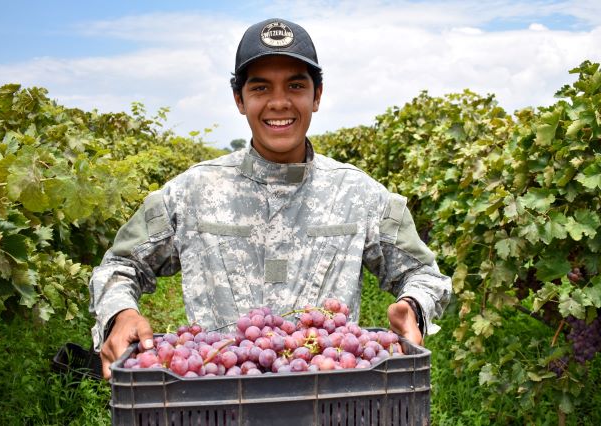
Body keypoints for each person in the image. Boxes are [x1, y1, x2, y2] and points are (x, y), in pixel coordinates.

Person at [89, 18, 452, 379]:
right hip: (215, 396)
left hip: (330, 397)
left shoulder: (360, 194)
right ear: (240, 99)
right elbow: (120, 266)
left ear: (317, 96)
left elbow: (423, 274)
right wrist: (121, 314)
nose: (279, 102)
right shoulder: (191, 192)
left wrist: (413, 306)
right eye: (261, 88)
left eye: (295, 85)